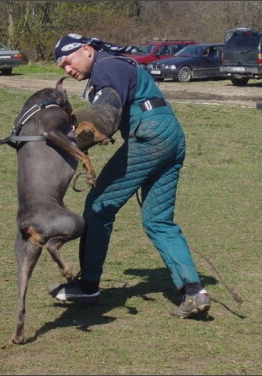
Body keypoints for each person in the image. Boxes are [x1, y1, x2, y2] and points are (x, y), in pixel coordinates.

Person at [48, 33, 211, 318]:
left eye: (68, 61)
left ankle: (88, 287)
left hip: (149, 135)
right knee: (158, 220)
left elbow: (104, 118)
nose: (67, 69)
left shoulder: (106, 68)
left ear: (86, 50)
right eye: (61, 67)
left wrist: (67, 143)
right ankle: (194, 292)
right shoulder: (117, 65)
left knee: (99, 206)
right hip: (170, 134)